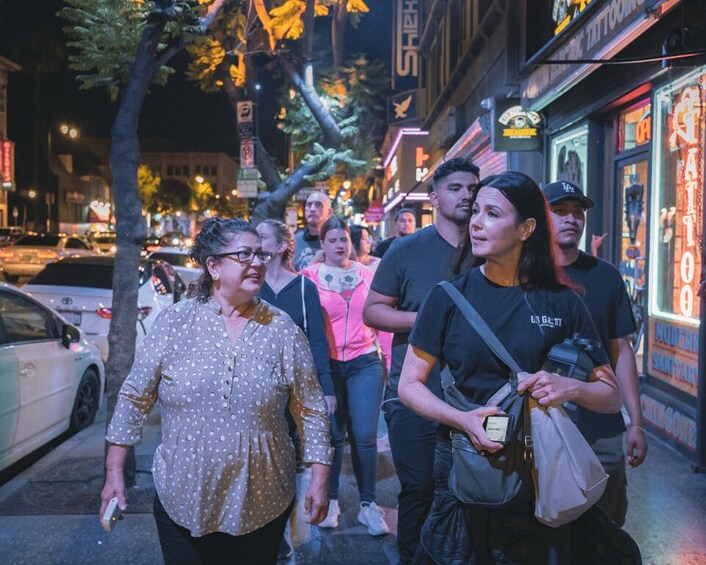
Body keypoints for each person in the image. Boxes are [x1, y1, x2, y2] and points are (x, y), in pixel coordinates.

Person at [399, 172, 627, 563]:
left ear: (526, 228)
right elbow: (409, 385)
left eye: (492, 213)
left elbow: (610, 396)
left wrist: (569, 388)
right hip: (464, 463)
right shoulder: (449, 297)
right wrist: (462, 418)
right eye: (475, 212)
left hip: (543, 469)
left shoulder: (563, 302)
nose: (476, 223)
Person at [99, 217, 332, 565]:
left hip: (263, 499)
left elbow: (310, 406)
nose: (256, 263)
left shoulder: (280, 328)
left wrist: (320, 474)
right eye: (244, 255)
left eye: (260, 255)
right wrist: (114, 471)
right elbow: (135, 396)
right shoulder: (175, 323)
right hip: (182, 495)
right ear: (213, 265)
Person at [363, 157, 479, 563]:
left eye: (472, 188)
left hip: (478, 398)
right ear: (433, 197)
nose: (466, 195)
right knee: (418, 490)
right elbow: (373, 311)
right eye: (455, 188)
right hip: (414, 394)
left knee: (473, 493)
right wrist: (431, 319)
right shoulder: (406, 250)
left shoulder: (489, 249)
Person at [543, 180, 648, 526]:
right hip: (544, 423)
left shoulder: (606, 277)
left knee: (606, 522)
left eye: (578, 211)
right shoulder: (526, 274)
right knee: (548, 523)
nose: (571, 218)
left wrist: (635, 423)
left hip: (601, 425)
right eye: (560, 211)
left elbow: (622, 351)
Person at [302, 216, 389, 537]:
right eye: (333, 240)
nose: (340, 245)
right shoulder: (309, 277)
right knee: (334, 438)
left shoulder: (368, 275)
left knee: (365, 436)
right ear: (322, 244)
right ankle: (332, 500)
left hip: (365, 361)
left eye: (344, 240)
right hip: (328, 367)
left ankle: (369, 505)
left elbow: (383, 319)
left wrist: (390, 363)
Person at [256, 219, 336, 560]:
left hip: (292, 390)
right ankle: (270, 538)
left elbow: (317, 341)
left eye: (261, 237)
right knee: (261, 464)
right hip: (257, 393)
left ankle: (282, 536)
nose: (255, 242)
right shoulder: (250, 284)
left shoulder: (304, 289)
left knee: (287, 466)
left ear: (280, 246)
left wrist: (327, 388)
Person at [293, 192, 333, 271]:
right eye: (309, 204)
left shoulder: (336, 241)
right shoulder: (293, 241)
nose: (312, 209)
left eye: (318, 205)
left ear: (330, 212)